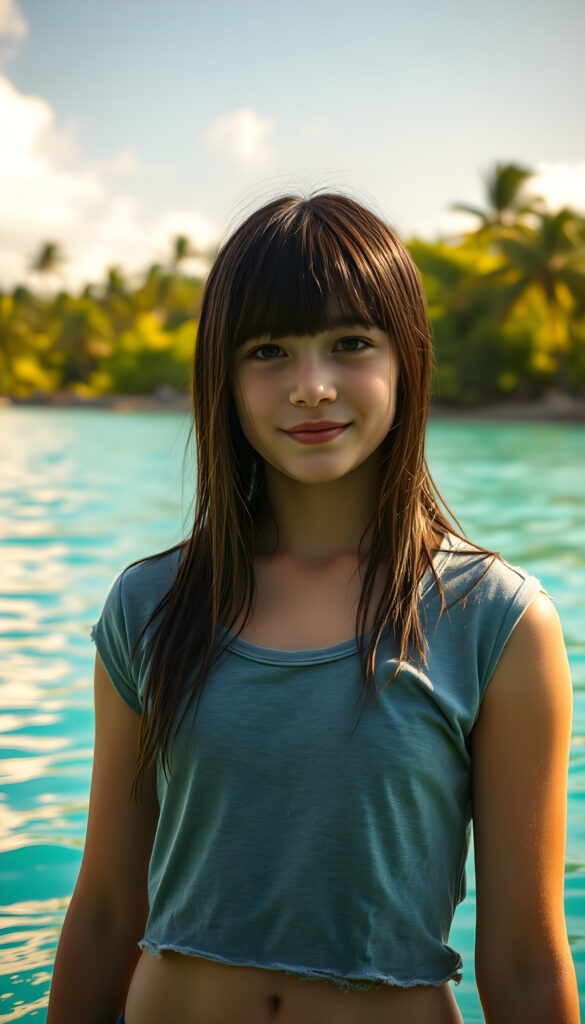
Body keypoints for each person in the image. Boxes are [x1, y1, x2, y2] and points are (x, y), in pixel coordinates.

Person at [47, 193, 579, 1024]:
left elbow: (520, 958)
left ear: (407, 360)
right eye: (268, 351)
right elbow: (110, 906)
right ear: (221, 377)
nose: (311, 387)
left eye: (350, 344)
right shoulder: (149, 605)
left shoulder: (496, 621)